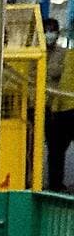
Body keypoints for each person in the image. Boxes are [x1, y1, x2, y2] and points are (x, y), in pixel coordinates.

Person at [47, 16, 73, 192]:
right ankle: (55, 184)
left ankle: (56, 184)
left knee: (56, 148)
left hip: (63, 106)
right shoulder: (66, 54)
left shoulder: (65, 53)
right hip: (57, 106)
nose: (50, 34)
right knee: (55, 149)